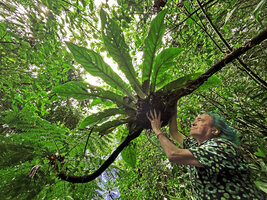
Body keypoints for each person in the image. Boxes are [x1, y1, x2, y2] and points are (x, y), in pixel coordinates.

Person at [146, 108, 265, 200]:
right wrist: (173, 105)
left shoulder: (222, 146)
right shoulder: (197, 146)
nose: (193, 123)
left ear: (214, 130)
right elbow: (174, 133)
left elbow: (173, 154)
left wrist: (157, 130)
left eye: (200, 120)